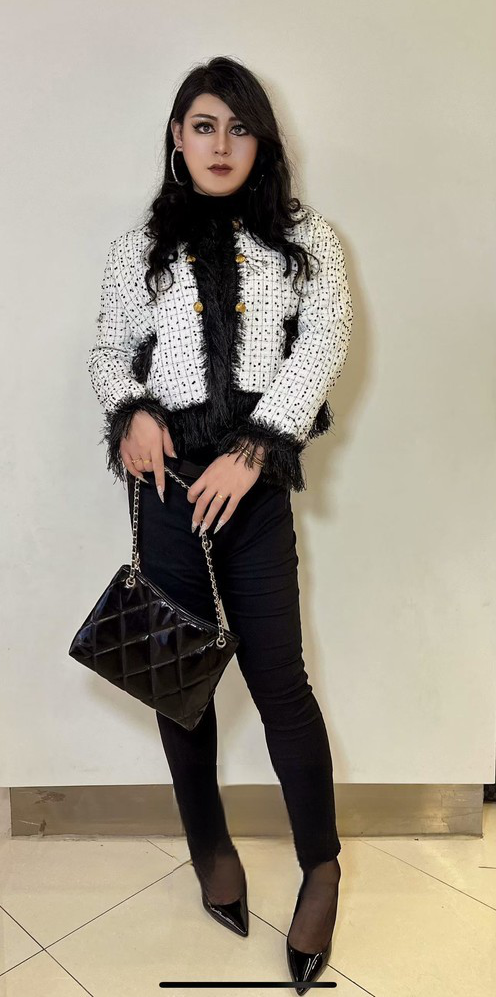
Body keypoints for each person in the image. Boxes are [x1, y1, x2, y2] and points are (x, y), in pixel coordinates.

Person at [88, 56, 353, 996]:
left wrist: (258, 448)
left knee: (281, 683)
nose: (221, 144)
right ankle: (211, 848)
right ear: (178, 136)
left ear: (261, 139)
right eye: (204, 126)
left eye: (239, 127)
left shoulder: (304, 239)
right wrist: (131, 410)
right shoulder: (139, 247)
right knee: (180, 687)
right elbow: (109, 349)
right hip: (167, 491)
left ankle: (321, 863)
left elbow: (323, 340)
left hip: (254, 491)